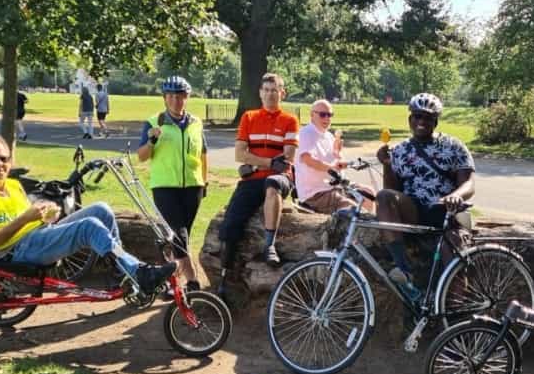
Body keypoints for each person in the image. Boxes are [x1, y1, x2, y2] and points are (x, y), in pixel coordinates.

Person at [0, 135, 176, 294]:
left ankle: (122, 275)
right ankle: (138, 272)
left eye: (4, 159)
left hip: (36, 236)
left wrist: (47, 215)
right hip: (16, 252)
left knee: (101, 209)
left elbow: (28, 218)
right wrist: (25, 219)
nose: (0, 164)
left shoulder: (12, 185)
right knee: (89, 226)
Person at [375, 92, 475, 296]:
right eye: (417, 116)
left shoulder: (453, 146)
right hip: (414, 211)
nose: (421, 121)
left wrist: (456, 196)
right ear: (410, 119)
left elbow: (469, 183)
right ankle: (403, 268)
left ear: (435, 121)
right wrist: (387, 165)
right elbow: (393, 191)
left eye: (427, 117)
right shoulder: (400, 150)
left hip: (444, 211)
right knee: (384, 196)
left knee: (454, 264)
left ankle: (458, 312)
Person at [218, 73, 298, 268]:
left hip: (280, 178)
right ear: (261, 93)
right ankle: (225, 273)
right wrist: (269, 162)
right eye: (267, 90)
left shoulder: (290, 120)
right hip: (253, 180)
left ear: (282, 93)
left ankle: (269, 245)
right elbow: (239, 154)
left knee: (272, 184)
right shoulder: (249, 117)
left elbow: (287, 156)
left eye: (275, 90)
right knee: (230, 224)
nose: (271, 94)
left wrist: (253, 164)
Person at [136, 75, 208, 291]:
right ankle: (193, 282)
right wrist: (151, 140)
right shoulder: (153, 122)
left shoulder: (196, 122)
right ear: (165, 99)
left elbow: (203, 153)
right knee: (179, 235)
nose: (176, 101)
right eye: (171, 96)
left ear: (187, 97)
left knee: (179, 236)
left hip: (193, 187)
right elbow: (141, 156)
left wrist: (205, 181)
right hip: (165, 187)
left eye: (181, 96)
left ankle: (171, 280)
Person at [295, 99, 374, 214]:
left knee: (368, 193)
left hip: (335, 188)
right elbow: (308, 160)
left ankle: (367, 230)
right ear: (312, 115)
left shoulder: (329, 136)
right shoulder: (306, 133)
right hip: (315, 194)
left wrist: (339, 156)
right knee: (353, 208)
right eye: (323, 115)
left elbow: (336, 164)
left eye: (330, 115)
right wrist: (332, 168)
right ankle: (358, 230)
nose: (327, 118)